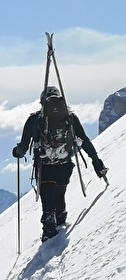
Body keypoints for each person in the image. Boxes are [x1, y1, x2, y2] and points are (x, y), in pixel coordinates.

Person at [13, 87, 107, 241]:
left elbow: (23, 148)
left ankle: (49, 231)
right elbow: (84, 140)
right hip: (64, 165)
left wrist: (17, 152)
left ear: (42, 102)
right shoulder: (70, 118)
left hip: (44, 166)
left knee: (47, 199)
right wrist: (96, 161)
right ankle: (61, 219)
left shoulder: (35, 120)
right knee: (59, 195)